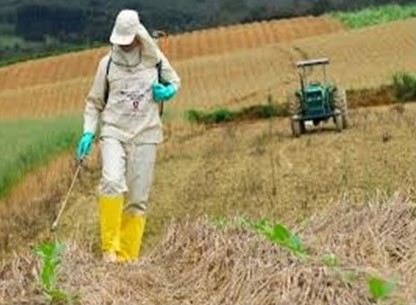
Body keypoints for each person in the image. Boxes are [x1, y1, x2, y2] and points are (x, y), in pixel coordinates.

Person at [76, 9, 180, 263]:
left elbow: (175, 81)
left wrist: (167, 91)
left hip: (146, 135)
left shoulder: (155, 59)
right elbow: (94, 102)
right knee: (111, 181)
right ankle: (109, 251)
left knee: (137, 200)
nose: (123, 45)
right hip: (114, 132)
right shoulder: (107, 64)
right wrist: (89, 131)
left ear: (138, 36)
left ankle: (127, 258)